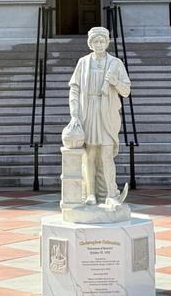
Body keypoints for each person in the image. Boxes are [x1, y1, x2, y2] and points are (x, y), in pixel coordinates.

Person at [67, 26, 131, 207]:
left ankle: (111, 194)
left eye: (102, 41)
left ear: (107, 42)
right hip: (88, 111)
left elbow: (126, 91)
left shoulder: (116, 63)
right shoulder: (83, 62)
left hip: (107, 114)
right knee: (90, 155)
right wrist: (74, 113)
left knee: (106, 154)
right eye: (96, 41)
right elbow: (74, 87)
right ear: (90, 43)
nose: (99, 44)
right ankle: (90, 194)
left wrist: (115, 82)